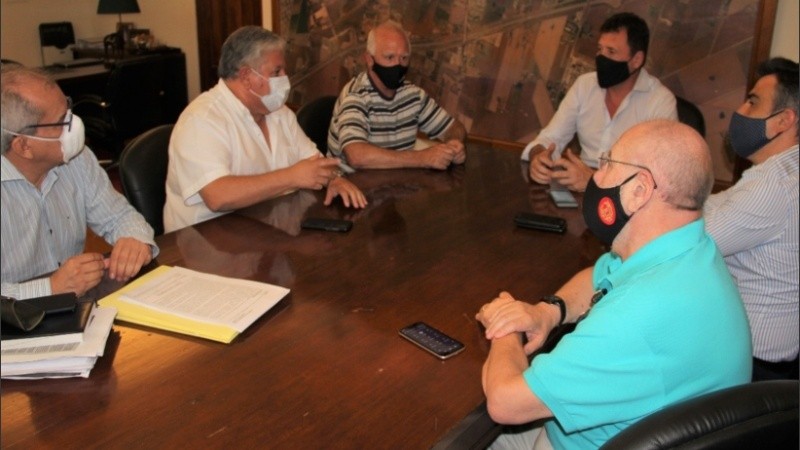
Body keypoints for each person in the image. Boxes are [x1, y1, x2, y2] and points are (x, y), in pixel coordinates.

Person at [477, 120, 751, 449]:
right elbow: (598, 274)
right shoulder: (690, 250)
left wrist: (505, 324)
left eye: (607, 163)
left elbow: (505, 403)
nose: (595, 176)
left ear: (639, 191)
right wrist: (547, 312)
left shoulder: (635, 315)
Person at [163, 26, 367, 233]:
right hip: (204, 245)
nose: (285, 78)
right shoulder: (201, 120)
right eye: (276, 72)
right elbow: (218, 196)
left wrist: (336, 179)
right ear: (245, 76)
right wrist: (291, 176)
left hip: (265, 232)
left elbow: (315, 162)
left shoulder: (279, 113)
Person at [1, 65, 157, 300]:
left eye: (69, 110)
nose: (75, 125)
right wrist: (51, 287)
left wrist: (134, 240)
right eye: (61, 122)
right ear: (24, 146)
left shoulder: (77, 159)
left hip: (77, 309)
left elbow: (119, 216)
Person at [704, 57, 799, 381]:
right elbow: (722, 204)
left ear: (784, 120)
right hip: (769, 363)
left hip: (751, 372)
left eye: (753, 101)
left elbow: (688, 240)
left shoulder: (775, 184)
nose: (741, 111)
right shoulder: (785, 172)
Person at [523, 12, 676, 192]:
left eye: (611, 51)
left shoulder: (660, 102)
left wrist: (593, 181)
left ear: (636, 60)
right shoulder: (584, 86)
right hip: (578, 191)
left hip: (628, 203)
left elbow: (659, 175)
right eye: (600, 49)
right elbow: (550, 138)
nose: (601, 58)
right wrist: (538, 156)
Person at [327, 20, 467, 170]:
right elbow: (356, 156)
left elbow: (454, 127)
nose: (398, 65)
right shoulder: (355, 96)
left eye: (404, 58)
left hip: (395, 186)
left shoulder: (413, 95)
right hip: (351, 188)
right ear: (369, 60)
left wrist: (455, 143)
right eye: (389, 57)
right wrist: (422, 158)